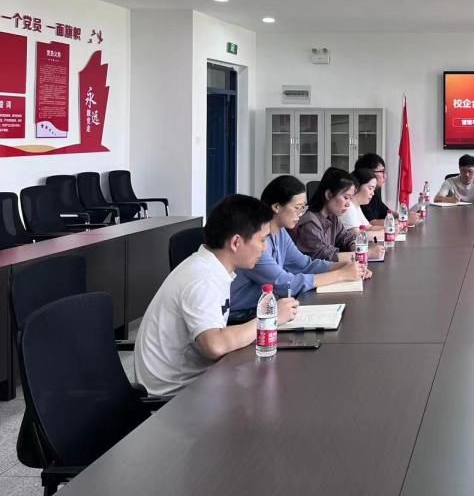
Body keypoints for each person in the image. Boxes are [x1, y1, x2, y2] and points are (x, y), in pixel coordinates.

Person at [134, 194, 300, 396]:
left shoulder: (212, 268)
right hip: (175, 397)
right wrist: (270, 318)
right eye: (262, 240)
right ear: (236, 242)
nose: (265, 248)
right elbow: (215, 345)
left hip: (198, 380)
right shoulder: (203, 279)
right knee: (278, 391)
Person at [228, 176, 364, 320]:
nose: (301, 214)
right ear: (276, 207)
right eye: (297, 208)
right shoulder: (256, 243)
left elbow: (305, 265)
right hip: (241, 316)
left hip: (261, 307)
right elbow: (287, 284)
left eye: (303, 208)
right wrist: (341, 274)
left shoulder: (280, 232)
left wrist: (344, 266)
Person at [292, 168, 375, 274]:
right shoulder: (309, 222)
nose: (348, 204)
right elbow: (325, 257)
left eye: (350, 198)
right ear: (328, 195)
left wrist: (355, 248)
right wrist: (366, 254)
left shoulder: (332, 217)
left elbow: (347, 238)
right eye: (345, 197)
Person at [353, 153, 420, 226]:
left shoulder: (374, 192)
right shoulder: (362, 194)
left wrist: (404, 216)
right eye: (382, 172)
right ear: (368, 173)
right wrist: (405, 220)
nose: (385, 176)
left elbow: (387, 212)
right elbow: (372, 223)